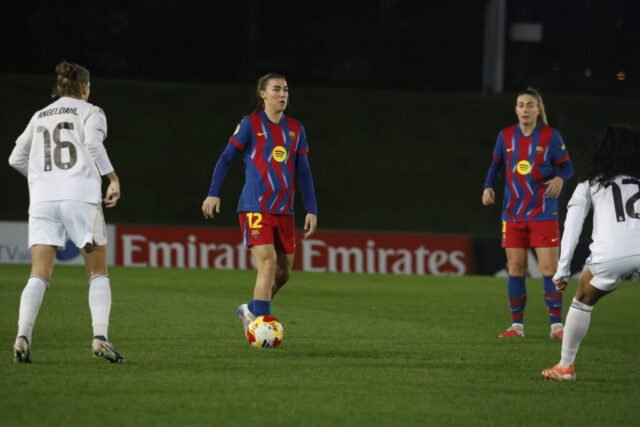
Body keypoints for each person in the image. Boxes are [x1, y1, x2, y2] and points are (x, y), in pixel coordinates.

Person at [8, 60, 125, 363]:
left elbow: (15, 158)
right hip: (80, 197)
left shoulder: (39, 115)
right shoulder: (91, 111)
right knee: (97, 271)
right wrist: (112, 178)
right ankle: (100, 339)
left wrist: (42, 179)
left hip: (43, 200)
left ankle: (22, 336)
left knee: (39, 272)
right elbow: (93, 144)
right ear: (84, 88)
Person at [201, 73, 318, 337]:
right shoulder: (250, 124)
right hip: (255, 206)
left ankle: (250, 310)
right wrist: (213, 193)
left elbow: (303, 171)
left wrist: (311, 208)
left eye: (285, 89)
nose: (282, 94)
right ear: (262, 94)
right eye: (276, 89)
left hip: (285, 210)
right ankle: (263, 328)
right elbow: (226, 158)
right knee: (267, 262)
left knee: (284, 273)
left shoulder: (296, 129)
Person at [541, 125, 640, 381]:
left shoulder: (590, 182)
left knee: (583, 298)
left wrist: (563, 269)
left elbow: (573, 226)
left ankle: (565, 366)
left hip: (611, 254)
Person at [482, 88, 574, 339]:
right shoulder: (505, 136)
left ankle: (556, 326)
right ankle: (516, 326)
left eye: (530, 105)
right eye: (521, 105)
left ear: (538, 109)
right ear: (516, 109)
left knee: (549, 268)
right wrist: (488, 186)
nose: (525, 109)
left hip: (543, 213)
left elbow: (567, 166)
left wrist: (559, 178)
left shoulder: (550, 136)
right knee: (515, 267)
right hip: (512, 214)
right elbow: (496, 165)